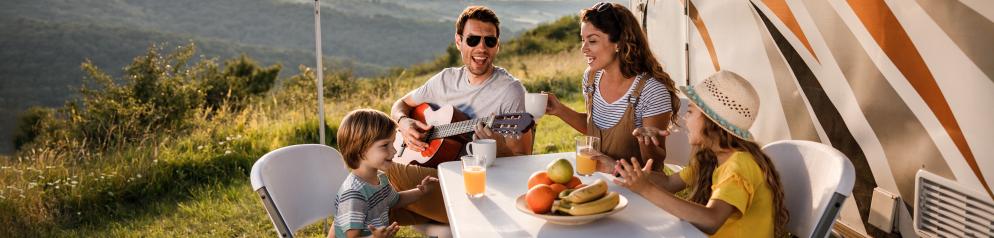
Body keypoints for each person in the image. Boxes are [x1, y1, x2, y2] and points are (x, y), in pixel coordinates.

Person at [386, 6, 532, 225]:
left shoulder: (510, 90)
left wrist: (498, 146)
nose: (481, 48)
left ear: (497, 45)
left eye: (489, 41)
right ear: (458, 41)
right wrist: (404, 122)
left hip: (476, 189)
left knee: (380, 172)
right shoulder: (445, 80)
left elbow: (523, 160)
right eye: (473, 40)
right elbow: (401, 104)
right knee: (369, 206)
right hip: (432, 178)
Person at [613, 71, 789, 237]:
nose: (685, 118)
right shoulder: (711, 157)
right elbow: (669, 183)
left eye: (690, 111)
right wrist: (635, 176)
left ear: (711, 121)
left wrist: (646, 188)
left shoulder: (739, 165)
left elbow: (712, 220)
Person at [545, 2, 680, 173]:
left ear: (619, 43)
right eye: (583, 40)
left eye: (592, 41)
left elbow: (654, 165)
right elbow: (596, 128)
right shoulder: (591, 78)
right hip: (598, 180)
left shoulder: (651, 91)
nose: (583, 49)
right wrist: (559, 109)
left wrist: (645, 143)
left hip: (637, 187)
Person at [331, 109, 439, 238]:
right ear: (360, 150)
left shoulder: (380, 177)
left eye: (392, 143)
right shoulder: (354, 194)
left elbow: (396, 200)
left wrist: (421, 191)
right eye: (385, 145)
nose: (394, 151)